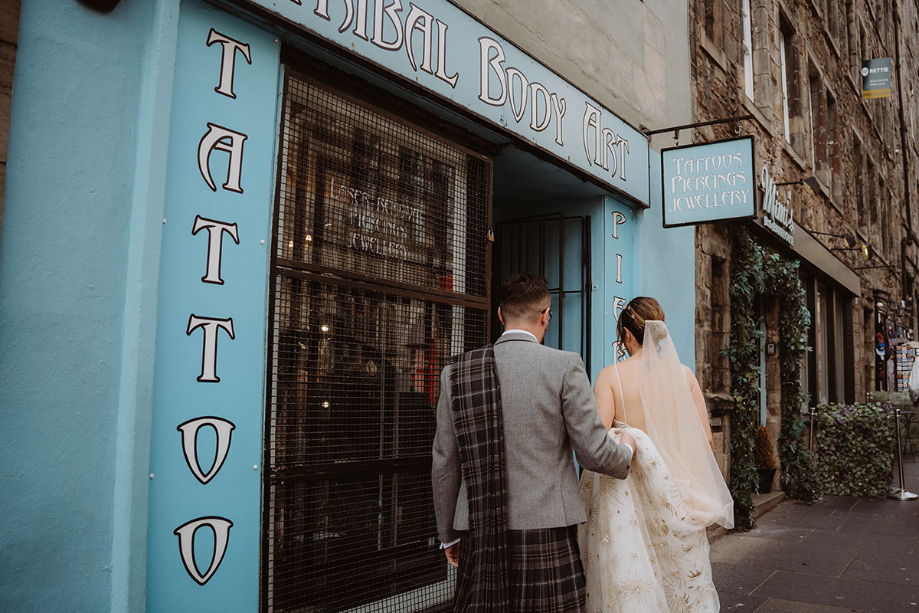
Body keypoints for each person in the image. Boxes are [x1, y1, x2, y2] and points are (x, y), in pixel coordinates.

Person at [432, 273, 636, 612]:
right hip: (546, 530)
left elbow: (444, 460)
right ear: (546, 314)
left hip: (477, 530)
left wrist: (447, 533)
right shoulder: (564, 366)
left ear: (500, 314)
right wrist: (627, 448)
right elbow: (595, 453)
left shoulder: (456, 372)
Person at [579, 297, 734, 612]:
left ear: (626, 334)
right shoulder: (685, 376)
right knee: (682, 583)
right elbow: (706, 442)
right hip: (678, 498)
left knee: (638, 584)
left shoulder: (610, 377)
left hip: (630, 504)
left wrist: (632, 438)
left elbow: (599, 444)